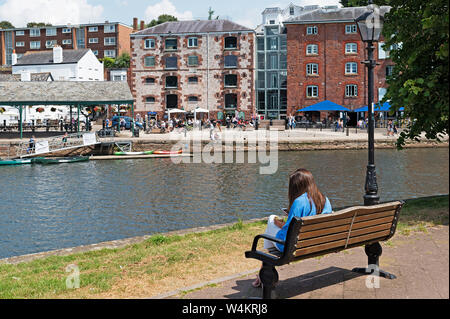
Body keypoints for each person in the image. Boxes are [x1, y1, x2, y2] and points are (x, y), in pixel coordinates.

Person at [252, 168, 333, 288]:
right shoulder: (324, 199)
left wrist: (278, 223)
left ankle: (265, 273)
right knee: (273, 224)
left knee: (271, 219)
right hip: (316, 243)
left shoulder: (299, 202)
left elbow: (287, 233)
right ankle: (264, 272)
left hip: (294, 246)